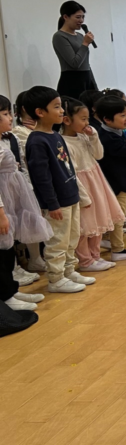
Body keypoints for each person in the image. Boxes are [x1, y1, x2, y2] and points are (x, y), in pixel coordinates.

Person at [23, 87, 91, 293]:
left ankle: (69, 270)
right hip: (57, 202)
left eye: (61, 106)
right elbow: (41, 177)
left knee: (71, 238)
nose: (62, 111)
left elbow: (67, 168)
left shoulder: (55, 135)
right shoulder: (37, 140)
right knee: (57, 241)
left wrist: (77, 194)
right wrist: (52, 203)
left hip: (70, 197)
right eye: (56, 107)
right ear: (40, 112)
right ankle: (56, 278)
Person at [60, 97, 123, 274]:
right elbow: (71, 172)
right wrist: (82, 195)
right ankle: (85, 260)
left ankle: (95, 256)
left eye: (88, 118)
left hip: (96, 181)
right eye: (83, 119)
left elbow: (99, 155)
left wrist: (94, 137)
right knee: (84, 225)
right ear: (67, 120)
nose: (87, 122)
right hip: (82, 186)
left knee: (99, 219)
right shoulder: (63, 142)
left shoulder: (83, 137)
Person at [0, 95, 51, 311]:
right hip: (3, 202)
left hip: (11, 197)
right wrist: (1, 213)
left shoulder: (7, 139)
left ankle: (10, 290)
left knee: (8, 246)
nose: (10, 117)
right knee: (3, 248)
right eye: (5, 114)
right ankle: (6, 295)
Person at [95, 95, 126, 263]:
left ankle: (108, 241)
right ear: (107, 119)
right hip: (116, 183)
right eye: (122, 115)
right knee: (118, 217)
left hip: (118, 181)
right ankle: (118, 249)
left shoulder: (113, 132)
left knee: (114, 216)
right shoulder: (107, 137)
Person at [52, 1, 99, 100]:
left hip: (86, 78)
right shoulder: (59, 36)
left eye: (83, 17)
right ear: (66, 17)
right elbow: (74, 63)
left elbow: (86, 63)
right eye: (78, 17)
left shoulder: (80, 36)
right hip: (72, 81)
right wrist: (85, 44)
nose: (81, 20)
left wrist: (94, 86)